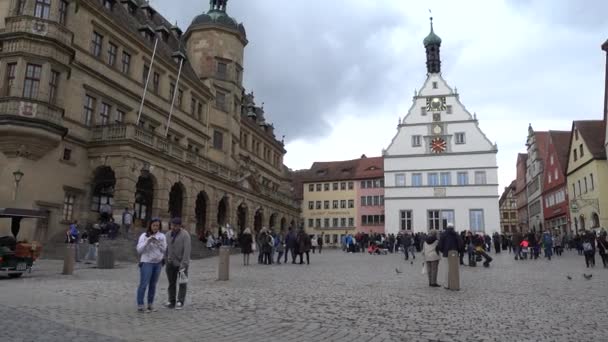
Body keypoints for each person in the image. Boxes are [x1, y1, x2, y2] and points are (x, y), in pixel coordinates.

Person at [136, 218, 167, 313]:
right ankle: (140, 305)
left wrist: (158, 243)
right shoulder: (144, 236)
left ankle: (150, 304)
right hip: (146, 262)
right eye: (154, 225)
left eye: (157, 225)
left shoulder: (162, 236)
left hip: (157, 263)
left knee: (153, 285)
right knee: (143, 284)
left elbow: (164, 249)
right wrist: (148, 241)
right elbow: (139, 250)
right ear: (150, 225)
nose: (155, 227)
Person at [164, 217, 191, 310]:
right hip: (170, 263)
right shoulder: (167, 234)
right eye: (172, 225)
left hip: (181, 263)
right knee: (171, 283)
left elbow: (187, 250)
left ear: (179, 226)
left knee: (182, 283)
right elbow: (165, 248)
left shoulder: (185, 235)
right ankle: (171, 300)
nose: (173, 227)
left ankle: (180, 300)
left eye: (175, 225)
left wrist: (184, 264)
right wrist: (166, 259)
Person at [438, 223, 462, 290]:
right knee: (455, 270)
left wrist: (443, 251)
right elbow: (460, 243)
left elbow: (440, 245)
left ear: (447, 227)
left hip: (446, 254)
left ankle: (447, 285)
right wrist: (458, 251)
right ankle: (455, 284)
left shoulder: (443, 234)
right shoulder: (456, 234)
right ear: (453, 227)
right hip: (455, 253)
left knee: (446, 270)